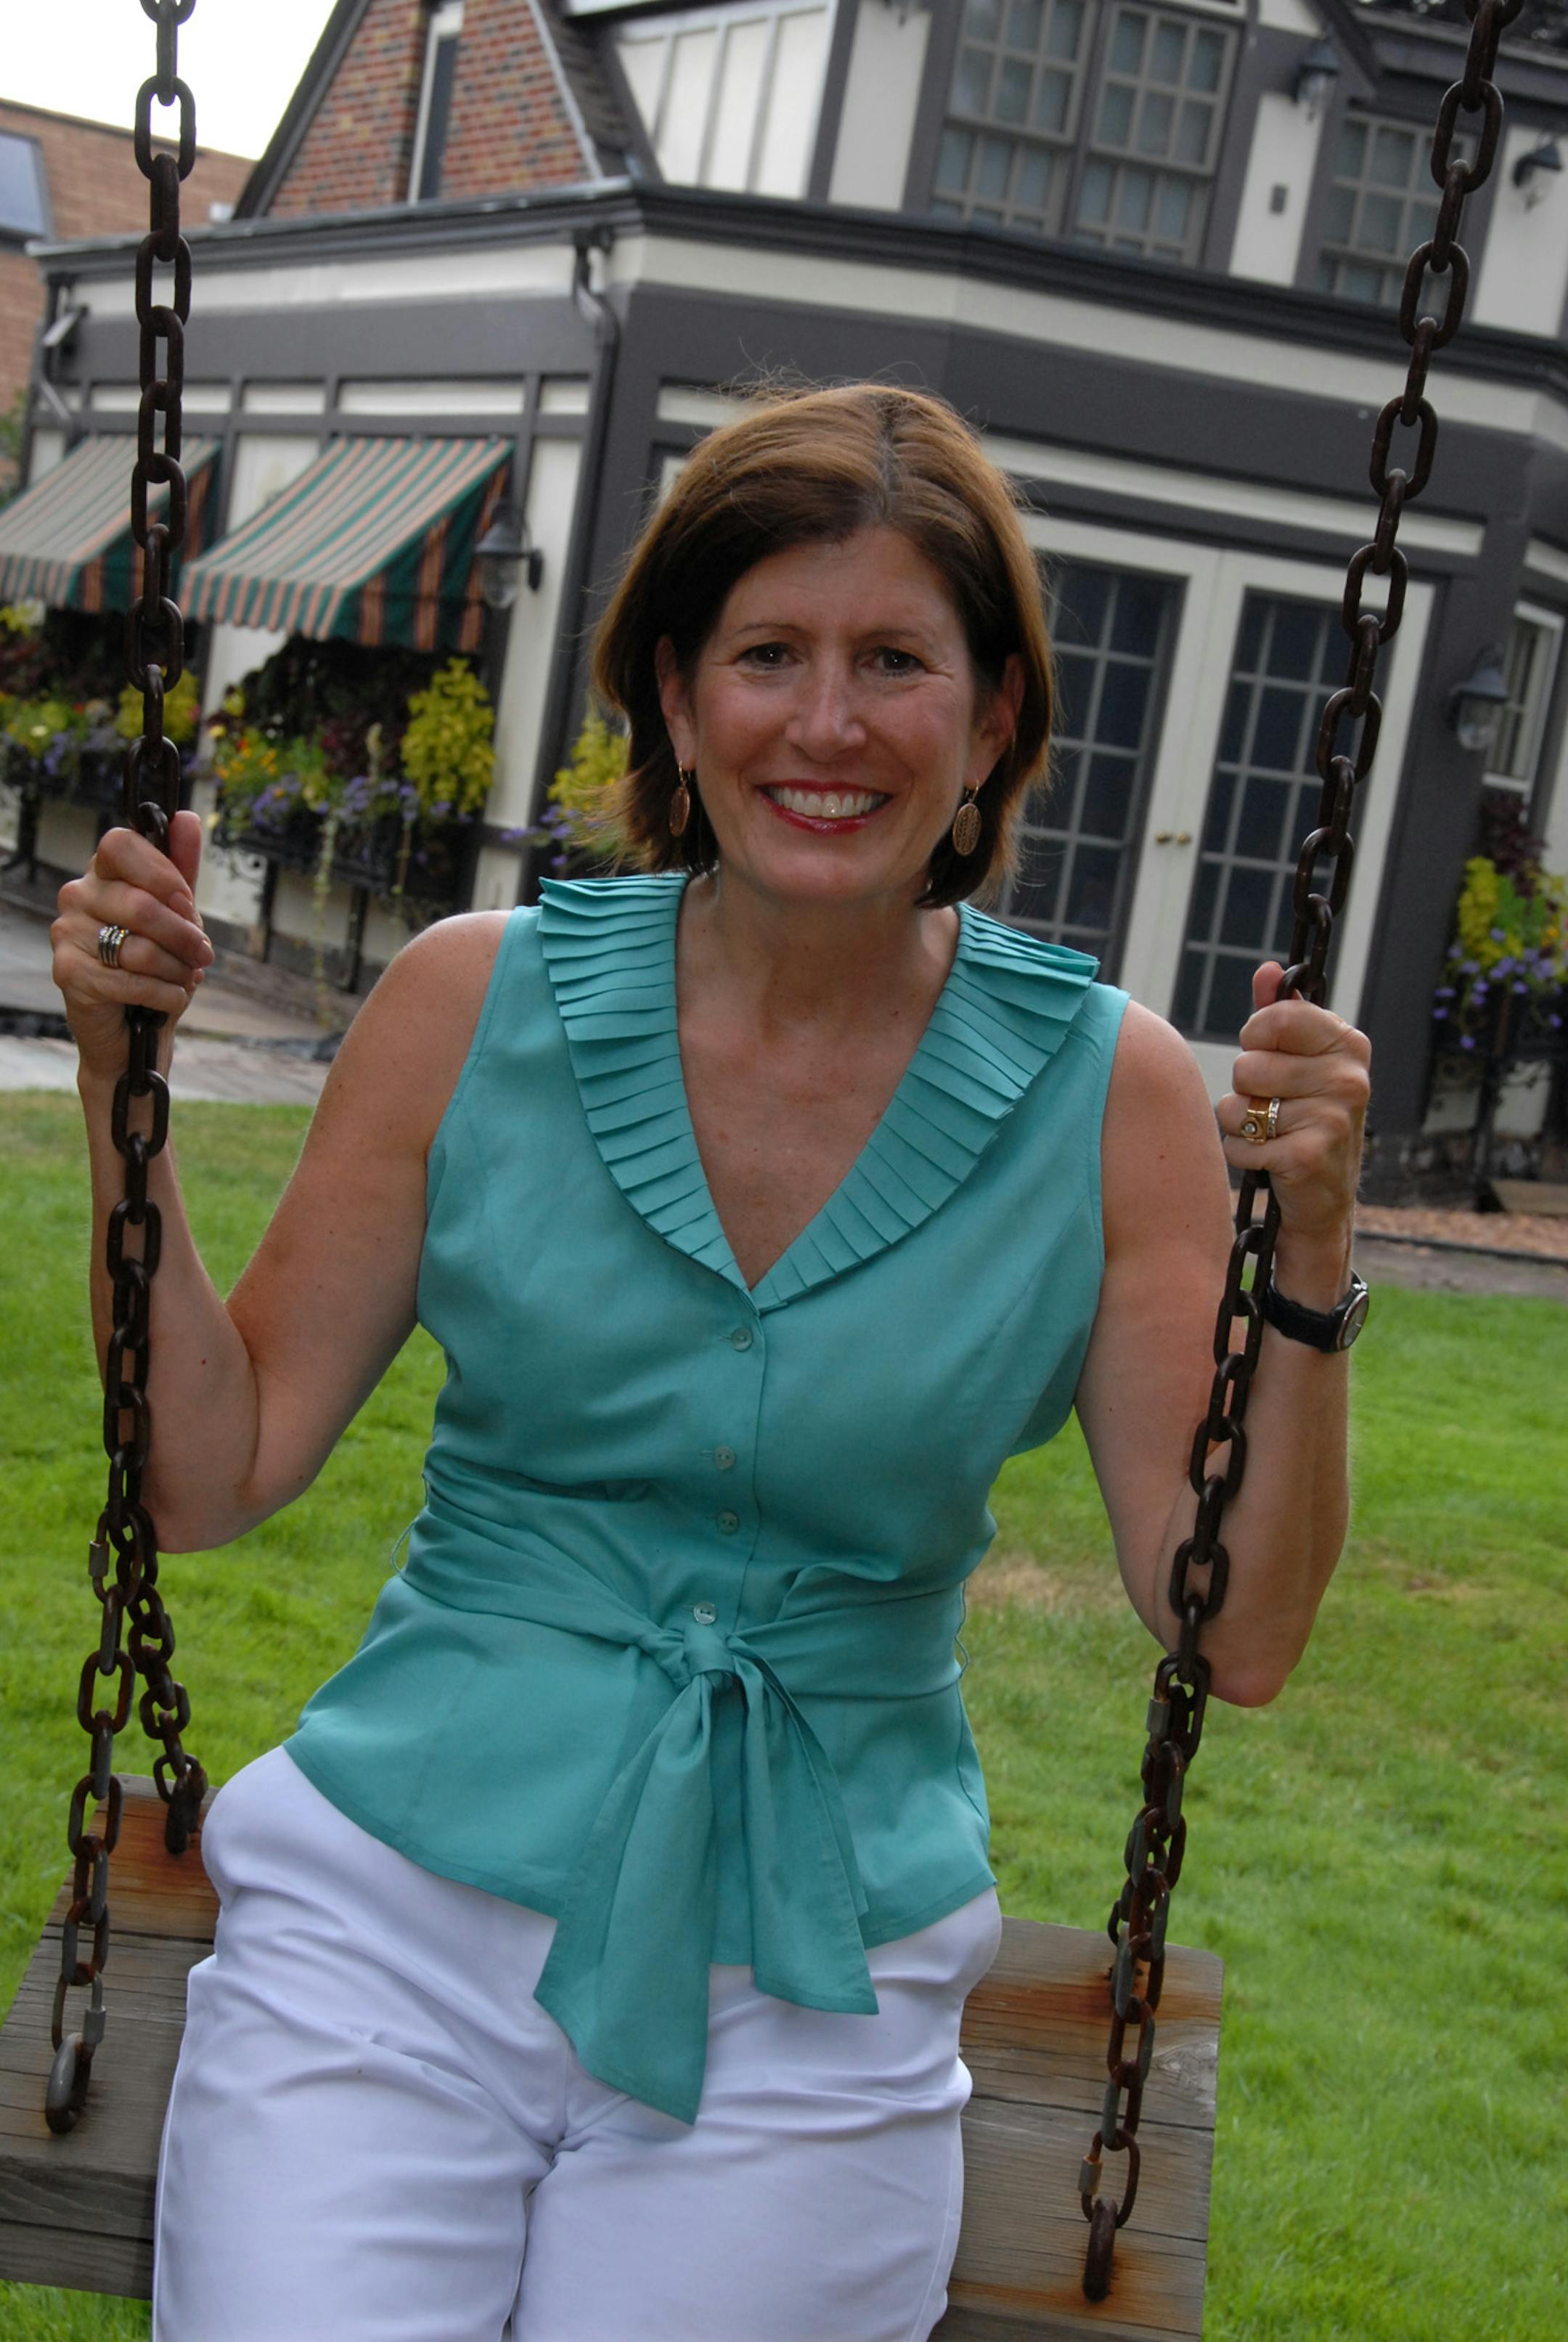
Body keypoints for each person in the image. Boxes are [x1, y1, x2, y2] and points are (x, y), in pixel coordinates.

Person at [51, 383, 1370, 2342]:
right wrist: (121, 1082)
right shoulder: (469, 1005)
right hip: (393, 1925)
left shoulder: (1114, 1098)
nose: (826, 725)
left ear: (994, 717)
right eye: (768, 655)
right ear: (675, 699)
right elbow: (207, 1469)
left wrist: (1312, 1256)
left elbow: (1233, 1630)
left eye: (895, 661)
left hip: (812, 1977)